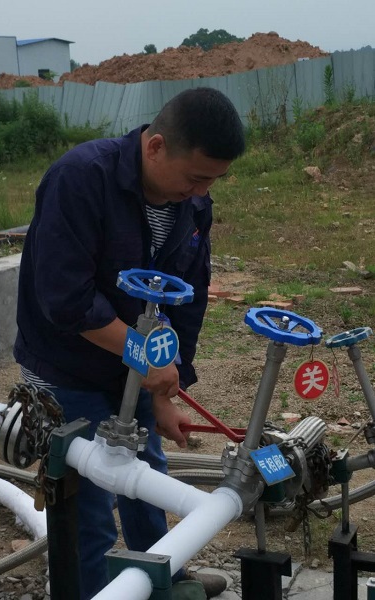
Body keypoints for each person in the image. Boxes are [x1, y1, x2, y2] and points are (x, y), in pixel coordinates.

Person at [14, 87, 245, 599]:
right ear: (156, 147)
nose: (202, 191)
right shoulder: (80, 178)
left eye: (213, 181)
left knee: (147, 480)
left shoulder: (191, 205)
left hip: (132, 367)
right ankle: (94, 591)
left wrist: (165, 391)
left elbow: (188, 299)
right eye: (196, 177)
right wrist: (145, 359)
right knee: (89, 501)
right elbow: (66, 301)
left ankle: (163, 580)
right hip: (66, 370)